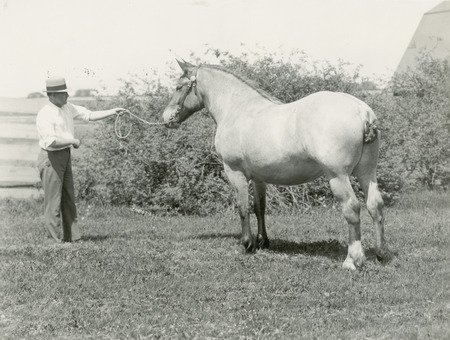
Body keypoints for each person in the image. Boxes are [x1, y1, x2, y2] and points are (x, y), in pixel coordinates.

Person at [36, 76, 128, 242]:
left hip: (64, 155)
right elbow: (51, 141)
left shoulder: (67, 107)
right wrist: (72, 140)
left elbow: (90, 115)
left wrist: (113, 111)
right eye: (64, 93)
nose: (68, 96)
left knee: (68, 197)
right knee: (53, 201)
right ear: (53, 95)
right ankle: (54, 241)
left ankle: (73, 237)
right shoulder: (45, 114)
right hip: (51, 158)